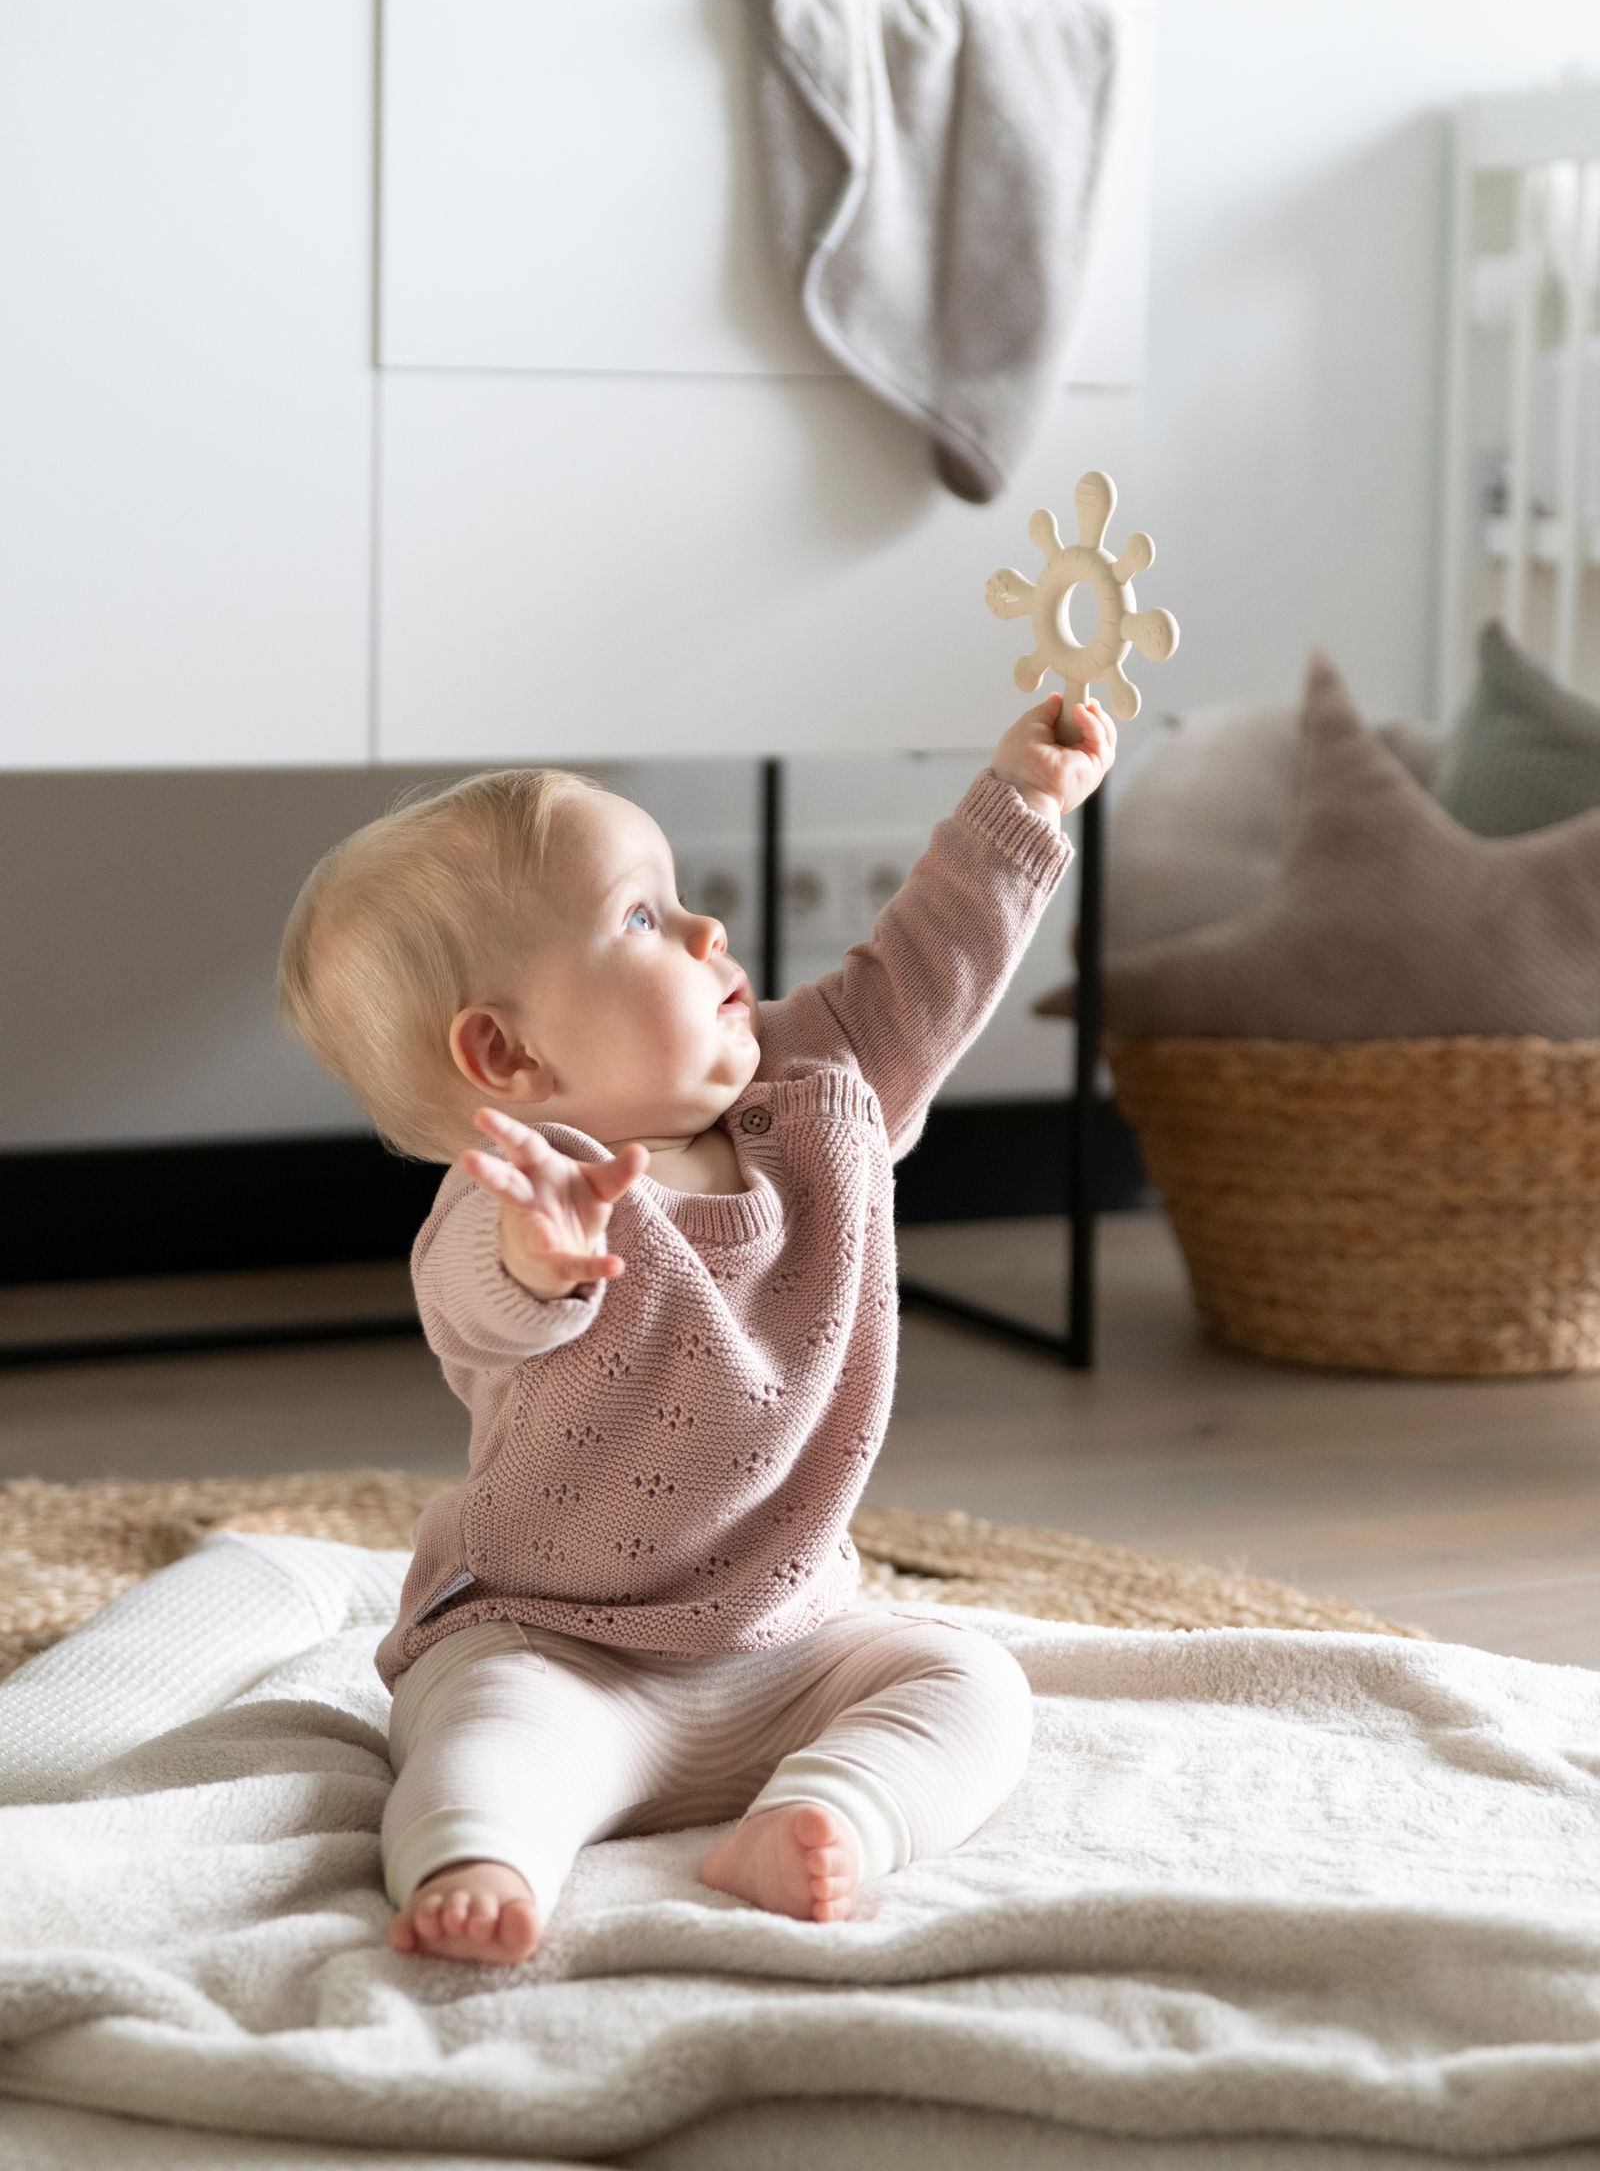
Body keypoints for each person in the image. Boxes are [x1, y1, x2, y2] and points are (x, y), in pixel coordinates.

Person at [278, 692, 1114, 1965]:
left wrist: (1021, 802)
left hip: (789, 1643)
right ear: (506, 1058)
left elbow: (922, 975)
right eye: (641, 917)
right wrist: (540, 1256)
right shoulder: (509, 1200)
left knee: (972, 1686)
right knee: (482, 1742)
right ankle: (479, 1865)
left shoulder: (811, 1097)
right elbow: (476, 1302)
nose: (707, 927)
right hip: (554, 1647)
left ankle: (824, 1814)